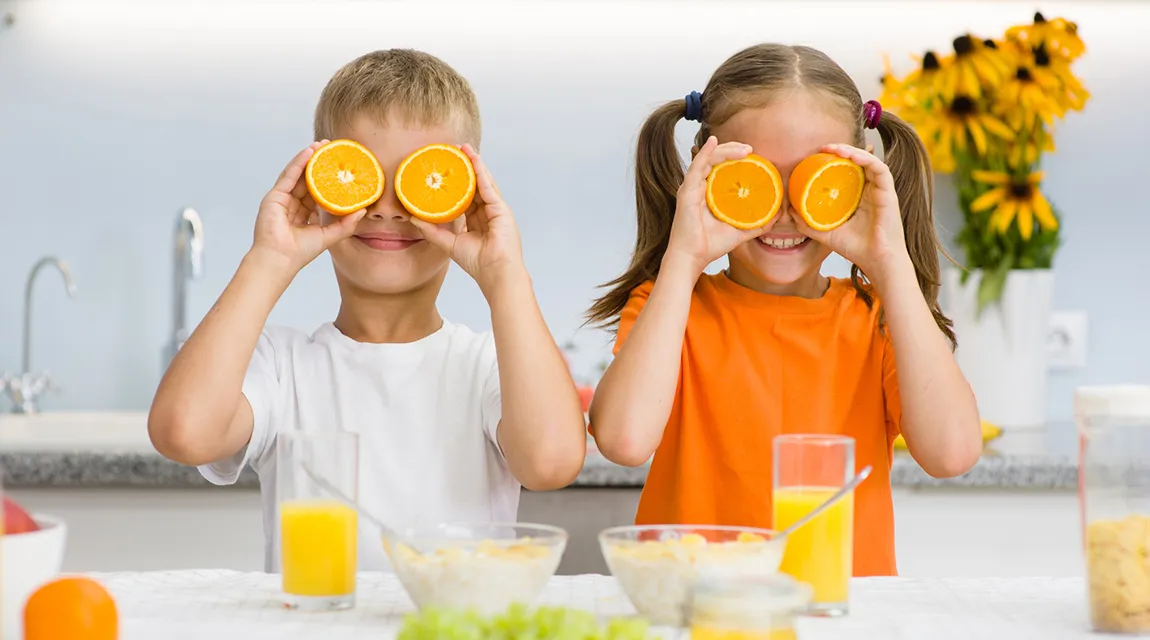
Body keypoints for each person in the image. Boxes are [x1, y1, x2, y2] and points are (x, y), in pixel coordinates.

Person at [148, 49, 588, 572]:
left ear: (464, 197)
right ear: (319, 188)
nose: (386, 207)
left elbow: (551, 461)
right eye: (362, 178)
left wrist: (505, 276)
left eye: (420, 180)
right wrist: (269, 260)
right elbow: (184, 432)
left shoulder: (491, 366)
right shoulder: (282, 365)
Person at [586, 43, 982, 576]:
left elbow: (951, 454)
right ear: (707, 176)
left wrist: (892, 266)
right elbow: (624, 440)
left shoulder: (878, 319)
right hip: (697, 605)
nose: (784, 214)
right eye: (756, 181)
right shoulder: (672, 309)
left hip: (838, 612)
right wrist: (683, 254)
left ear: (854, 185)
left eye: (812, 180)